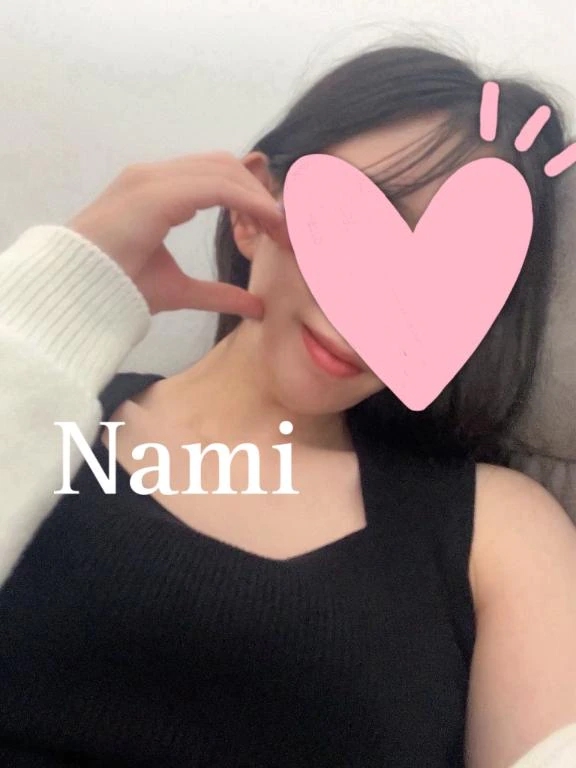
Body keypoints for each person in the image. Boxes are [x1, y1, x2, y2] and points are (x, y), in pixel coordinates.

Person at [0, 42, 575, 768]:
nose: (378, 311)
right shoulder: (42, 414)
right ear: (253, 211)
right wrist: (52, 304)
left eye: (453, 277)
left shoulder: (497, 528)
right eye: (359, 225)